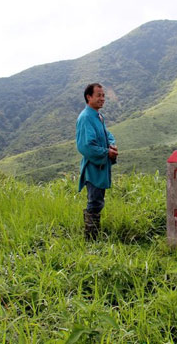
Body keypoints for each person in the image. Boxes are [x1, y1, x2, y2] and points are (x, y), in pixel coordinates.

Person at [76, 83, 118, 241]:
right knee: (94, 202)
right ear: (89, 97)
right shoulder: (86, 117)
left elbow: (107, 134)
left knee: (97, 201)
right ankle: (91, 239)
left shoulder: (98, 116)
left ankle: (93, 236)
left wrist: (112, 145)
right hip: (93, 168)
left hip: (100, 167)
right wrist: (106, 152)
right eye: (99, 95)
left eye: (103, 95)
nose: (102, 98)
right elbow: (86, 146)